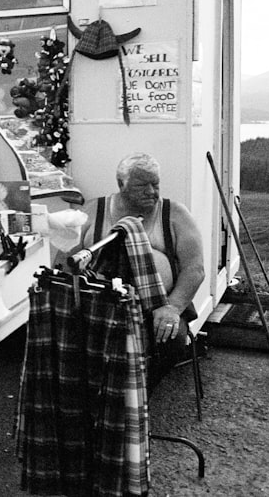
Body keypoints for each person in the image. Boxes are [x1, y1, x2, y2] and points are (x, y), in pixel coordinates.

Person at [78, 152, 205, 383]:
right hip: (100, 306)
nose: (151, 192)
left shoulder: (175, 214)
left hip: (158, 307)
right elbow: (66, 262)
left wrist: (173, 308)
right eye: (140, 186)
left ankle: (140, 396)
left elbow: (194, 269)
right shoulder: (92, 211)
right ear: (121, 184)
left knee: (171, 338)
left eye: (155, 184)